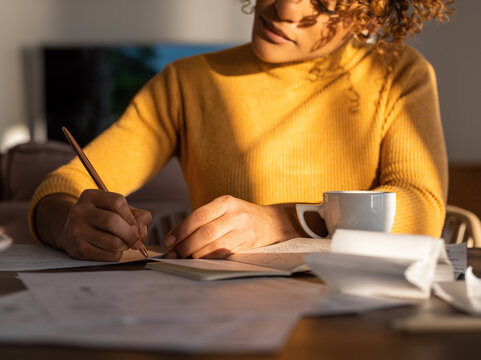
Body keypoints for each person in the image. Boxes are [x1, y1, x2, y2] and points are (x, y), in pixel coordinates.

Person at [29, 0, 453, 261]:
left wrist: (288, 220)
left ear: (369, 10)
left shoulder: (398, 75)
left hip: (353, 313)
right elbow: (63, 185)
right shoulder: (187, 82)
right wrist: (67, 222)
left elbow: (422, 208)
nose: (285, 8)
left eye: (323, 2)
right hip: (221, 316)